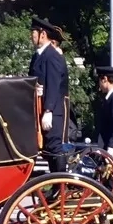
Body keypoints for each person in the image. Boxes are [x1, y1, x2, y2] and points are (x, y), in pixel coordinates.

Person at [28, 16, 70, 172]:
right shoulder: (38, 56)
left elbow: (53, 84)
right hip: (40, 107)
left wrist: (48, 110)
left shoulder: (52, 56)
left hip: (53, 110)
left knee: (54, 147)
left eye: (34, 32)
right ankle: (56, 186)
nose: (31, 36)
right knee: (47, 149)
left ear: (42, 34)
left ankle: (60, 185)